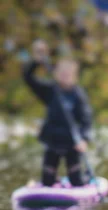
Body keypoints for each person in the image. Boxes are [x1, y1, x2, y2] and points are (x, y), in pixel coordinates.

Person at [23, 39, 93, 187]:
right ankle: (52, 181)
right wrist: (37, 61)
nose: (65, 75)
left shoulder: (78, 95)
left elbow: (86, 118)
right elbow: (28, 78)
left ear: (74, 75)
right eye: (62, 72)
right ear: (56, 73)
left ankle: (82, 179)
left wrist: (84, 139)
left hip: (72, 143)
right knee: (47, 181)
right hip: (52, 141)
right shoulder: (50, 90)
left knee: (76, 181)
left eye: (68, 73)